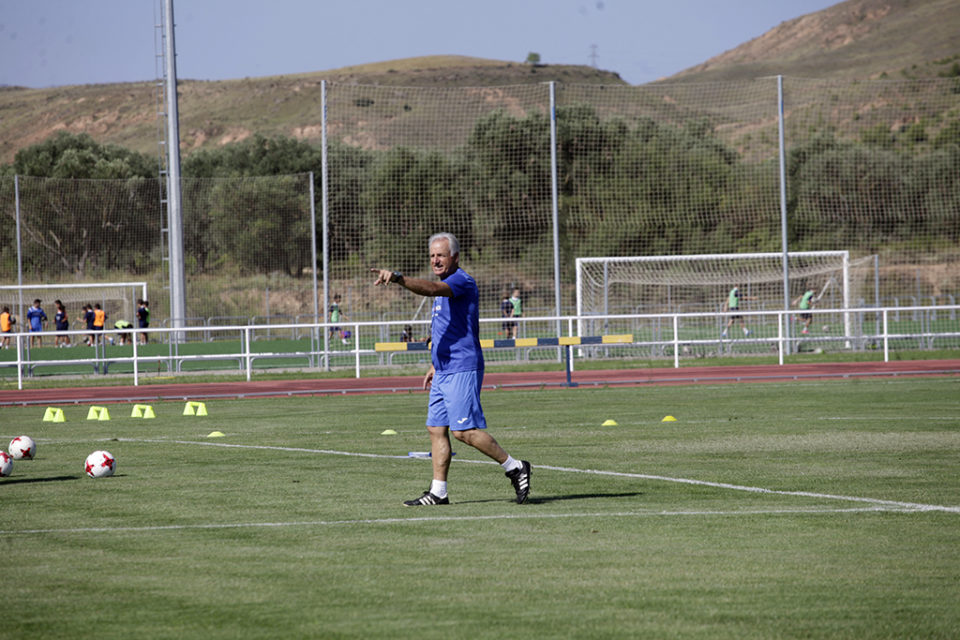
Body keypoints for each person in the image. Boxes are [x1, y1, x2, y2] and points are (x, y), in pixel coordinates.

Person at [371, 232, 532, 506]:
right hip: (444, 370)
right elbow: (444, 327)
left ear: (455, 257)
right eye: (432, 255)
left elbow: (431, 289)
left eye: (441, 255)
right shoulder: (445, 284)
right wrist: (434, 363)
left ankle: (515, 467)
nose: (435, 260)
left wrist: (398, 278)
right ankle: (438, 492)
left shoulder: (460, 281)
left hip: (462, 366)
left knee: (464, 432)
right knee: (436, 429)